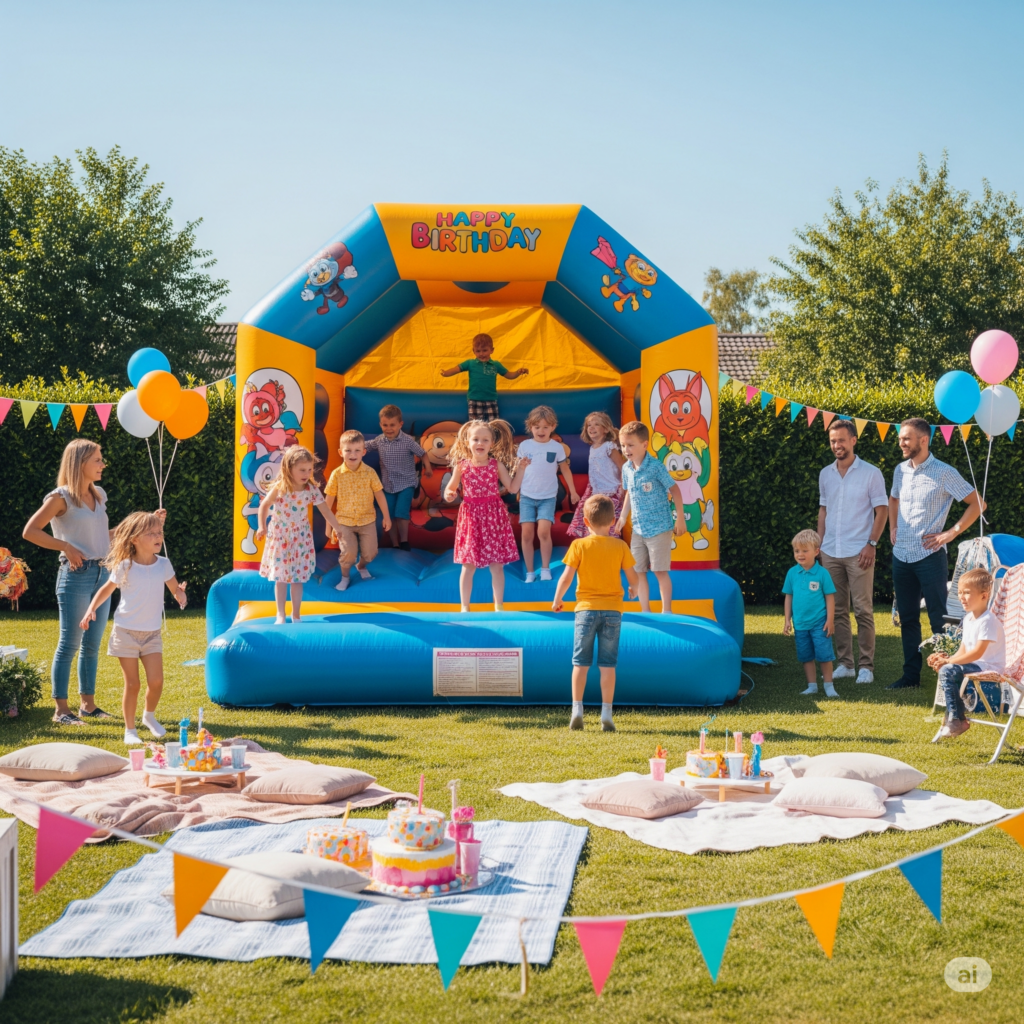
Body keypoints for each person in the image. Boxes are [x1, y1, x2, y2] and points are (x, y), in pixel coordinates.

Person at [22, 439, 166, 727]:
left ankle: (88, 705)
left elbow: (105, 536)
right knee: (70, 642)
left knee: (92, 645)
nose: (103, 464)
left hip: (102, 572)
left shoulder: (99, 495)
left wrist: (147, 523)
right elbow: (30, 531)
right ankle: (61, 710)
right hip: (75, 576)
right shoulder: (60, 498)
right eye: (98, 459)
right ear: (80, 463)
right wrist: (66, 546)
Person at [888, 417, 985, 689]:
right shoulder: (900, 470)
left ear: (923, 439)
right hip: (901, 556)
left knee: (939, 619)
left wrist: (951, 532)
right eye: (900, 439)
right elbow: (893, 498)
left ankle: (949, 675)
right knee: (907, 619)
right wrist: (893, 527)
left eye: (906, 438)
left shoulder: (944, 472)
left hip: (930, 557)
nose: (902, 443)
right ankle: (910, 677)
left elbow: (978, 503)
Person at [78, 512, 187, 744]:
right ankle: (130, 730)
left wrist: (181, 595)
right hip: (125, 632)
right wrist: (91, 609)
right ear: (135, 539)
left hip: (152, 634)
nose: (158, 537)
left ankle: (148, 716)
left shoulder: (164, 564)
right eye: (152, 534)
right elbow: (107, 589)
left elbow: (175, 589)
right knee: (133, 683)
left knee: (156, 681)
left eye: (160, 533)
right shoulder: (125, 566)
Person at [553, 494, 639, 732]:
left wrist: (557, 598)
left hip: (585, 611)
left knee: (580, 663)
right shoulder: (620, 546)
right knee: (608, 665)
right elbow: (634, 577)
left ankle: (577, 709)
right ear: (613, 521)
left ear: (586, 522)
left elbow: (567, 576)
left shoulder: (579, 545)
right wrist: (633, 589)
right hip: (613, 611)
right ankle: (606, 713)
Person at [817, 420, 888, 684]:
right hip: (830, 551)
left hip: (860, 551)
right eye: (833, 441)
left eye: (842, 441)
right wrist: (818, 543)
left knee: (863, 610)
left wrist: (871, 543)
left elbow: (882, 511)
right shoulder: (826, 474)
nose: (837, 445)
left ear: (853, 440)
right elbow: (823, 511)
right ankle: (845, 664)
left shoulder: (871, 473)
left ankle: (866, 667)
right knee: (836, 611)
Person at [445, 420, 526, 612]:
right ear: (467, 442)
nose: (480, 443)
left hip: (493, 516)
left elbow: (513, 488)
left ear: (492, 443)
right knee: (468, 565)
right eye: (475, 439)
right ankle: (464, 607)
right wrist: (450, 494)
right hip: (472, 518)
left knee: (497, 565)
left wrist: (521, 469)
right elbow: (450, 488)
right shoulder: (462, 466)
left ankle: (499, 606)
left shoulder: (495, 465)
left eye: (485, 440)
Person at [257, 446, 346, 619]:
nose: (307, 473)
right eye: (302, 470)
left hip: (300, 538)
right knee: (281, 578)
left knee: (297, 578)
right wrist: (262, 526)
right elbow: (264, 506)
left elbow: (325, 510)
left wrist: (337, 526)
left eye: (309, 469)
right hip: (281, 536)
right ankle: (280, 614)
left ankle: (296, 614)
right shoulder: (280, 488)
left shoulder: (310, 489)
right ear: (289, 469)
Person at [614, 421, 686, 614]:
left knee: (660, 571)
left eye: (631, 445)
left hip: (659, 528)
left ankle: (667, 611)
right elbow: (629, 493)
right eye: (623, 445)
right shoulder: (627, 468)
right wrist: (622, 517)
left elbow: (675, 490)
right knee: (638, 572)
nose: (626, 449)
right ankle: (645, 610)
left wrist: (680, 518)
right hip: (638, 529)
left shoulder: (655, 467)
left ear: (644, 444)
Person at [927, 568, 1004, 740]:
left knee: (948, 670)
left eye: (967, 593)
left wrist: (948, 662)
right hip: (976, 664)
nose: (962, 597)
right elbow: (964, 648)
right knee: (947, 669)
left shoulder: (987, 621)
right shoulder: (969, 619)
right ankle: (954, 717)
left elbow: (977, 653)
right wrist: (947, 659)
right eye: (960, 592)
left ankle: (955, 719)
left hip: (988, 666)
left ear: (984, 596)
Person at [321, 431, 391, 592]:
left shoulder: (369, 473)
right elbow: (328, 502)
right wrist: (328, 526)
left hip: (367, 520)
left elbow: (379, 495)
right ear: (341, 452)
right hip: (344, 522)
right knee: (348, 554)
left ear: (364, 452)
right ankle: (345, 577)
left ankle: (361, 566)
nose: (353, 454)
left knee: (370, 553)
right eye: (348, 450)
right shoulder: (337, 475)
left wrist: (386, 517)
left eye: (357, 450)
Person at [517, 405, 580, 582]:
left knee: (544, 532)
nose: (541, 431)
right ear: (530, 428)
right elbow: (519, 470)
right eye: (537, 427)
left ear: (553, 427)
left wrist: (573, 491)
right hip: (527, 496)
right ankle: (530, 572)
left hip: (547, 497)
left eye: (545, 427)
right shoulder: (524, 446)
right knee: (527, 534)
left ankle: (545, 568)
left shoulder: (557, 447)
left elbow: (565, 469)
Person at [364, 404, 432, 551]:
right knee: (389, 514)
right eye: (385, 425)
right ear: (380, 424)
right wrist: (349, 449)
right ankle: (395, 543)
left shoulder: (407, 441)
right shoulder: (379, 440)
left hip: (406, 482)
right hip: (388, 484)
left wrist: (428, 467)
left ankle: (405, 541)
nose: (389, 429)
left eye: (392, 425)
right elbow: (364, 447)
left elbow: (422, 453)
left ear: (400, 424)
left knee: (401, 512)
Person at [782, 529, 838, 697]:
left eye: (805, 551)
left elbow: (830, 598)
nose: (800, 554)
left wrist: (830, 620)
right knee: (806, 656)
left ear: (816, 551)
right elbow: (788, 597)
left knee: (824, 654)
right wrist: (787, 620)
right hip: (800, 624)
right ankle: (812, 686)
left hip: (819, 623)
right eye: (797, 551)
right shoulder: (792, 573)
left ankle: (829, 686)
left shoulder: (822, 574)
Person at [439, 332, 529, 421]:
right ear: (473, 351)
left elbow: (509, 375)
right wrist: (446, 373)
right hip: (474, 400)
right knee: (475, 425)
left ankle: (493, 436)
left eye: (484, 350)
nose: (481, 354)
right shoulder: (470, 363)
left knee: (493, 424)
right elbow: (456, 369)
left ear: (492, 350)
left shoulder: (495, 365)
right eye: (478, 351)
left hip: (491, 400)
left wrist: (518, 372)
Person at [568, 411, 625, 539]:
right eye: (589, 425)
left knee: (608, 525)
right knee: (593, 521)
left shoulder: (609, 446)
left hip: (611, 491)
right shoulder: (593, 447)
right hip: (597, 492)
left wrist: (622, 488)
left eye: (596, 425)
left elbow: (623, 467)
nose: (591, 428)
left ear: (605, 429)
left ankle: (611, 549)